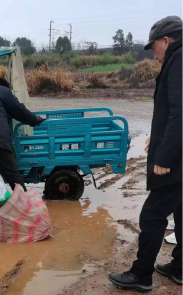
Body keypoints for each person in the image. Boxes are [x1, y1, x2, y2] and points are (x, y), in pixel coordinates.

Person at [109, 16, 182, 291]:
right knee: (180, 210)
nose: (154, 54)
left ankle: (141, 275)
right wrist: (159, 135)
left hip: (176, 161)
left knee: (152, 215)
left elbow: (180, 111)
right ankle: (181, 266)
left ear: (167, 40)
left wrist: (164, 156)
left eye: (154, 47)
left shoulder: (179, 59)